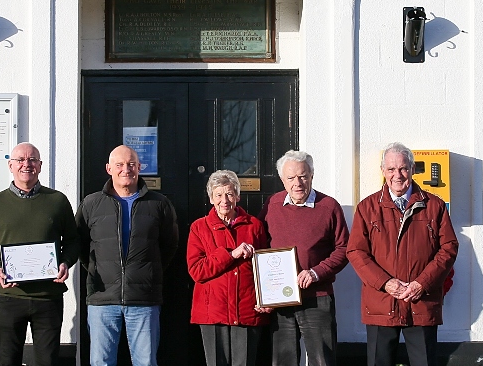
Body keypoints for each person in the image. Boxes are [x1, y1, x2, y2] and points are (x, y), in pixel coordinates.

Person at [347, 142, 458, 366]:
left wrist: (421, 283)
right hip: (381, 302)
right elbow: (356, 251)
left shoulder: (434, 205)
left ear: (412, 169)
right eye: (391, 169)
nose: (397, 175)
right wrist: (385, 283)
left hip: (421, 301)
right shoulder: (367, 207)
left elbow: (448, 248)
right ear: (383, 171)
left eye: (403, 168)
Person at [0, 142, 79, 366]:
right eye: (20, 160)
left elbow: (73, 241)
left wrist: (65, 263)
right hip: (10, 297)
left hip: (48, 297)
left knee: (47, 361)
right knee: (8, 360)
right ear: (10, 166)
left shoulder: (58, 201)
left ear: (40, 166)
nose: (26, 164)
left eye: (32, 160)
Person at [75, 145, 179, 366]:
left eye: (131, 164)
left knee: (146, 362)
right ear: (108, 168)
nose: (126, 169)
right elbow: (81, 246)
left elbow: (169, 245)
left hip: (144, 297)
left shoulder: (159, 204)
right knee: (101, 362)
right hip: (102, 298)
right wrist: (99, 270)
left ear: (140, 167)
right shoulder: (91, 204)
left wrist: (149, 273)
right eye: (120, 164)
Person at [258, 150, 350, 366]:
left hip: (317, 296)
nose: (297, 183)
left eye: (303, 176)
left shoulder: (329, 206)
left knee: (322, 360)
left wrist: (316, 272)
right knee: (283, 360)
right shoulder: (272, 204)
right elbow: (260, 244)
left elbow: (344, 248)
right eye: (291, 178)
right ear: (282, 179)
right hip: (281, 298)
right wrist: (264, 290)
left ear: (312, 175)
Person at [187, 170, 271, 366]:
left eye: (230, 194)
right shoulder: (199, 228)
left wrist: (267, 299)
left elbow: (264, 268)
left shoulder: (254, 226)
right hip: (213, 311)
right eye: (218, 195)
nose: (224, 200)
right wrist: (230, 254)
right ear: (211, 198)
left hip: (247, 308)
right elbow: (197, 270)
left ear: (238, 196)